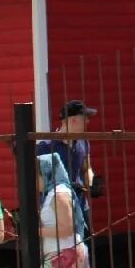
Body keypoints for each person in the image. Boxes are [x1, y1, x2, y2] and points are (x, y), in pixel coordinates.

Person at [38, 100, 96, 244]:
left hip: (81, 205)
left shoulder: (83, 141)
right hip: (57, 208)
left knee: (84, 250)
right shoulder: (45, 147)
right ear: (74, 119)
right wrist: (65, 186)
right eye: (85, 118)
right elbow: (39, 183)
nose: (88, 121)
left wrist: (91, 180)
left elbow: (87, 167)